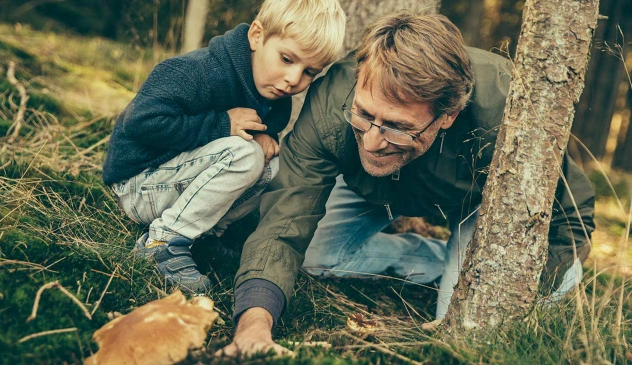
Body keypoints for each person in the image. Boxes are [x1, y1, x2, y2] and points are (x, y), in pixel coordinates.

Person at [220, 11, 595, 356]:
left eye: (398, 127)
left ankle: (466, 267)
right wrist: (254, 325)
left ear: (447, 116)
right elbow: (284, 222)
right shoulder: (331, 101)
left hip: (479, 209)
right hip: (369, 191)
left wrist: (527, 286)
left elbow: (571, 215)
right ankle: (439, 262)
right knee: (316, 260)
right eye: (364, 116)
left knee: (471, 331)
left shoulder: (505, 108)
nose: (370, 142)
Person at [102, 0, 346, 293]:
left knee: (275, 166)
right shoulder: (199, 72)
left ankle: (205, 237)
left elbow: (251, 141)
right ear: (257, 36)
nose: (293, 80)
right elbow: (141, 122)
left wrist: (268, 140)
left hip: (176, 188)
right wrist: (221, 125)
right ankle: (163, 241)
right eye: (286, 59)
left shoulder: (274, 98)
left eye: (310, 72)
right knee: (246, 156)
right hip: (139, 185)